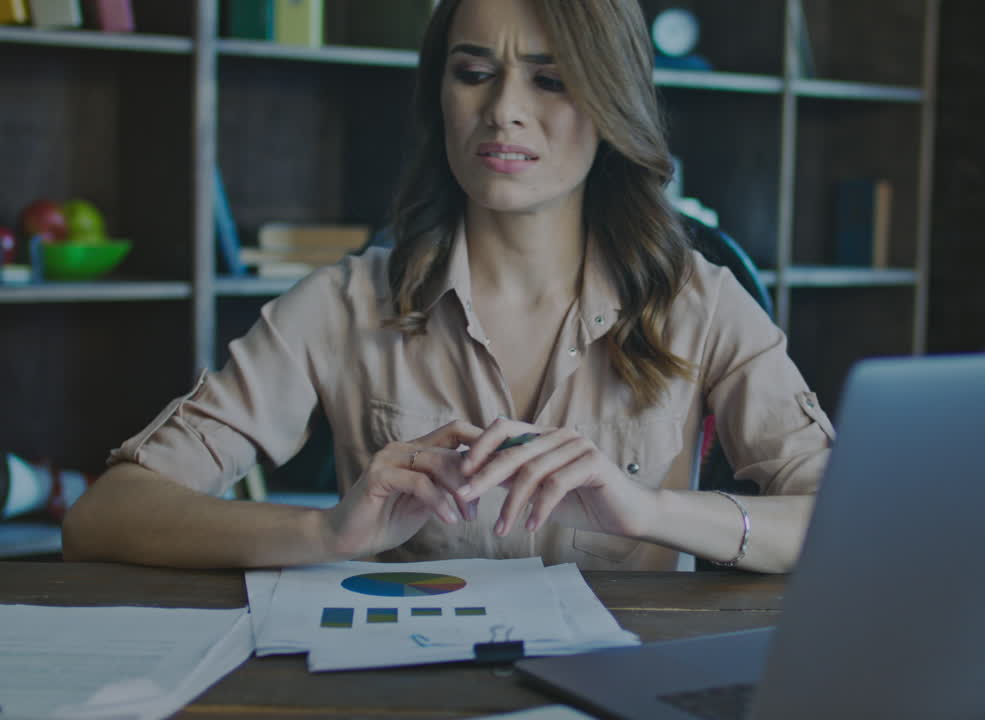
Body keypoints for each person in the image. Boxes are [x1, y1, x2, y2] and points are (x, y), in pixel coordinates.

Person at [62, 0, 833, 574]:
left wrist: (653, 512)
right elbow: (106, 513)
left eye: (550, 79)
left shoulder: (699, 303)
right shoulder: (343, 305)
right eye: (474, 74)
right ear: (442, 95)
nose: (503, 111)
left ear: (610, 103)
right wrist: (325, 534)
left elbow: (851, 522)